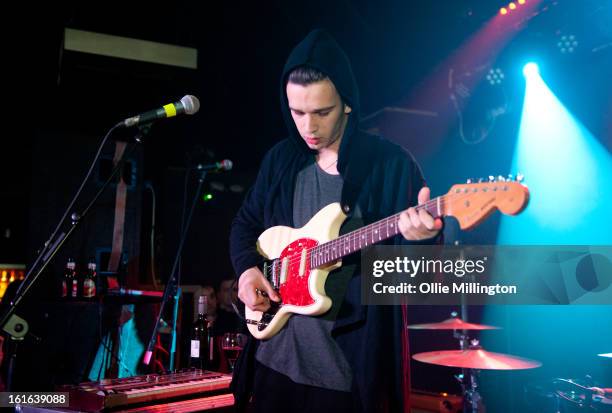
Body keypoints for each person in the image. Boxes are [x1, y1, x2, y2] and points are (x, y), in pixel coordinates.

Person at [229, 29, 442, 413]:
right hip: (271, 365)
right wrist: (246, 273)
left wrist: (422, 240)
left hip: (345, 381)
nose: (308, 127)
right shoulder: (281, 160)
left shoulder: (390, 166)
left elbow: (421, 278)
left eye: (321, 112)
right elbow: (244, 225)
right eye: (297, 113)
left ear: (347, 103)